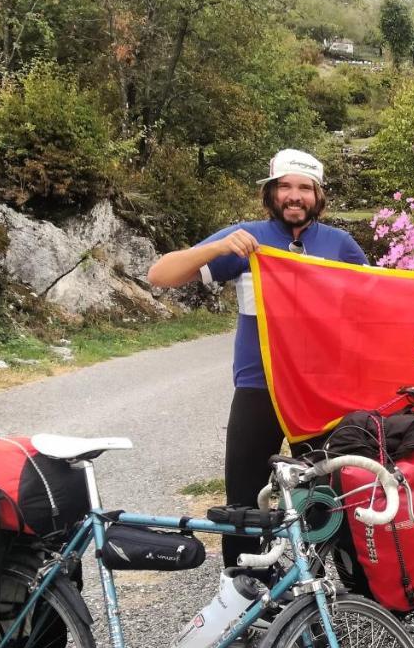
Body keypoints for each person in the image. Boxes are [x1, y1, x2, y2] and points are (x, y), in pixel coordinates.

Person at [147, 148, 368, 579]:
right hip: (259, 387)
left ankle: (337, 599)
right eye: (284, 186)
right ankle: (243, 601)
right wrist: (216, 247)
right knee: (244, 503)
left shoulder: (340, 245)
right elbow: (160, 275)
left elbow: (380, 304)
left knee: (328, 498)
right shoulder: (244, 237)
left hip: (319, 391)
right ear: (270, 193)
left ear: (318, 196)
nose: (294, 196)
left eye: (304, 188)